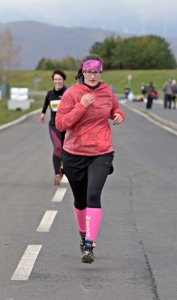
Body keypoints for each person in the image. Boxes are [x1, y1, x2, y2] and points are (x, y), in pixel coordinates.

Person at [55, 54, 125, 264]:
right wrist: (81, 106)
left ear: (101, 73)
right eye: (89, 72)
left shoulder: (106, 92)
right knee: (80, 200)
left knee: (93, 194)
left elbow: (115, 109)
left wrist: (119, 114)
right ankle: (83, 234)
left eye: (96, 72)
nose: (92, 75)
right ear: (82, 72)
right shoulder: (72, 93)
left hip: (101, 151)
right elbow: (60, 124)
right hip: (74, 153)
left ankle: (89, 245)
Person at [40, 69, 68, 185]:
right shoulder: (50, 94)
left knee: (66, 150)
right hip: (54, 125)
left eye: (59, 79)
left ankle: (65, 170)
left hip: (67, 126)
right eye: (55, 79)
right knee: (57, 148)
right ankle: (57, 173)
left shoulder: (68, 93)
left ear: (63, 80)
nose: (57, 82)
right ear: (53, 81)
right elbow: (46, 104)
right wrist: (42, 113)